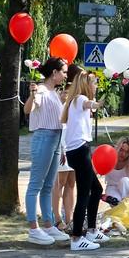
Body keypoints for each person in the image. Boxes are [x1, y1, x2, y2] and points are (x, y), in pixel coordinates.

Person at [20, 58, 71, 245]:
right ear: (54, 73)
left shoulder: (54, 92)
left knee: (49, 185)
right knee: (36, 184)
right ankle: (33, 228)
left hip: (56, 139)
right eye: (63, 72)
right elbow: (28, 109)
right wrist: (33, 95)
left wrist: (62, 147)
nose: (65, 75)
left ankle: (48, 225)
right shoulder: (41, 90)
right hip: (44, 138)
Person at [62, 70, 109, 250]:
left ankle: (91, 230)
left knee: (96, 189)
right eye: (94, 83)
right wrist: (98, 103)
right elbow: (90, 104)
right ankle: (76, 238)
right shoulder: (80, 99)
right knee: (84, 194)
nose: (96, 86)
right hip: (80, 151)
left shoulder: (74, 101)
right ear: (86, 85)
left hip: (78, 151)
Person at [52, 65, 82, 230]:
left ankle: (69, 219)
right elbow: (62, 120)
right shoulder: (64, 94)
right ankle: (56, 218)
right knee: (60, 182)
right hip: (63, 143)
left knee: (71, 182)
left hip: (74, 143)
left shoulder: (79, 94)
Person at [103, 136, 129, 206]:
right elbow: (95, 173)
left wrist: (127, 198)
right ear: (117, 148)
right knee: (115, 201)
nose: (123, 154)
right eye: (121, 150)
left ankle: (127, 206)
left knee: (124, 181)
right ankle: (120, 209)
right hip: (113, 188)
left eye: (127, 152)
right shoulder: (109, 159)